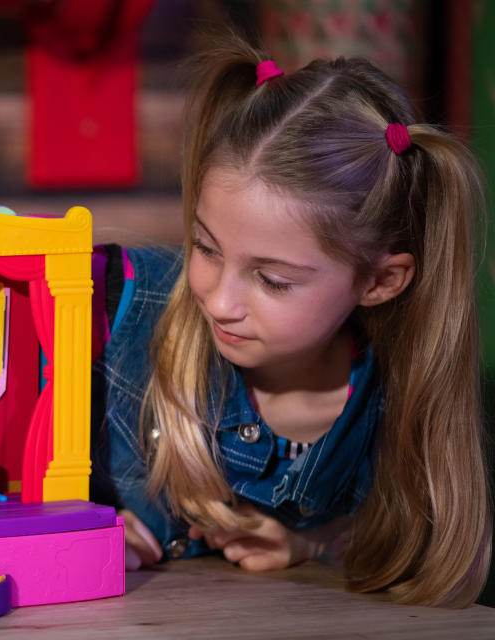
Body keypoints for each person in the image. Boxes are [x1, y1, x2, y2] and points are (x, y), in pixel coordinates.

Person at [91, 35, 491, 607]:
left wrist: (313, 544)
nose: (218, 299)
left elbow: (410, 557)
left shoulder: (396, 413)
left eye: (272, 280)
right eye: (206, 247)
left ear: (379, 282)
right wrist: (65, 522)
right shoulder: (111, 297)